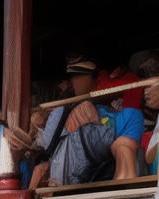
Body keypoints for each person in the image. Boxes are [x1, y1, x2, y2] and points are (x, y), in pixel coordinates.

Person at [28, 56, 145, 186]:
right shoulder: (63, 112)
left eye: (79, 75)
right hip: (69, 180)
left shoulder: (122, 114)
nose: (73, 80)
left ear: (96, 77)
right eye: (72, 76)